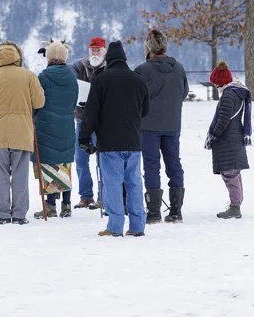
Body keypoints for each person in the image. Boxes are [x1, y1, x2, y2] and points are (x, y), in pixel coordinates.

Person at [79, 40, 150, 237]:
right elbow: (145, 110)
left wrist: (84, 137)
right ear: (124, 58)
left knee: (112, 184)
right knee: (134, 183)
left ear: (108, 58)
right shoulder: (138, 79)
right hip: (133, 141)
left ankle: (115, 226)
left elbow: (91, 113)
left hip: (109, 142)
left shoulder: (101, 79)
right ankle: (137, 226)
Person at [0, 41, 46, 225]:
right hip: (22, 132)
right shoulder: (28, 76)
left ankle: (3, 215)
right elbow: (39, 102)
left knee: (1, 177)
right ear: (17, 57)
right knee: (20, 175)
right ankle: (20, 214)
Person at [134, 29, 189, 224]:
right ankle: (176, 211)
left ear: (148, 48)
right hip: (172, 123)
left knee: (151, 165)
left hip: (148, 124)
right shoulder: (179, 68)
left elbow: (135, 98)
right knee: (174, 163)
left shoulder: (142, 70)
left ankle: (153, 212)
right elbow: (184, 92)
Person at [33, 40, 79, 218]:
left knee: (49, 164)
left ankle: (50, 204)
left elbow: (37, 101)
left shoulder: (43, 77)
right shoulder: (72, 77)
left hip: (46, 125)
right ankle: (66, 205)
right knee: (64, 164)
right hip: (66, 125)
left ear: (49, 56)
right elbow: (74, 102)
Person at [205, 61, 252, 219]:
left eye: (214, 83)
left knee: (230, 174)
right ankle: (235, 204)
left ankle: (235, 207)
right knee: (234, 174)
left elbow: (223, 121)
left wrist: (214, 135)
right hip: (234, 139)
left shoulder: (228, 96)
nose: (214, 86)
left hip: (228, 141)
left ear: (220, 82)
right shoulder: (235, 93)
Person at [70, 36, 108, 209]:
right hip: (81, 119)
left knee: (103, 160)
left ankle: (103, 195)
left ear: (104, 51)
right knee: (80, 160)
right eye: (93, 49)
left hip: (102, 122)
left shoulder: (109, 66)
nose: (95, 52)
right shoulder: (80, 65)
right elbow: (68, 75)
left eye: (98, 50)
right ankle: (86, 195)